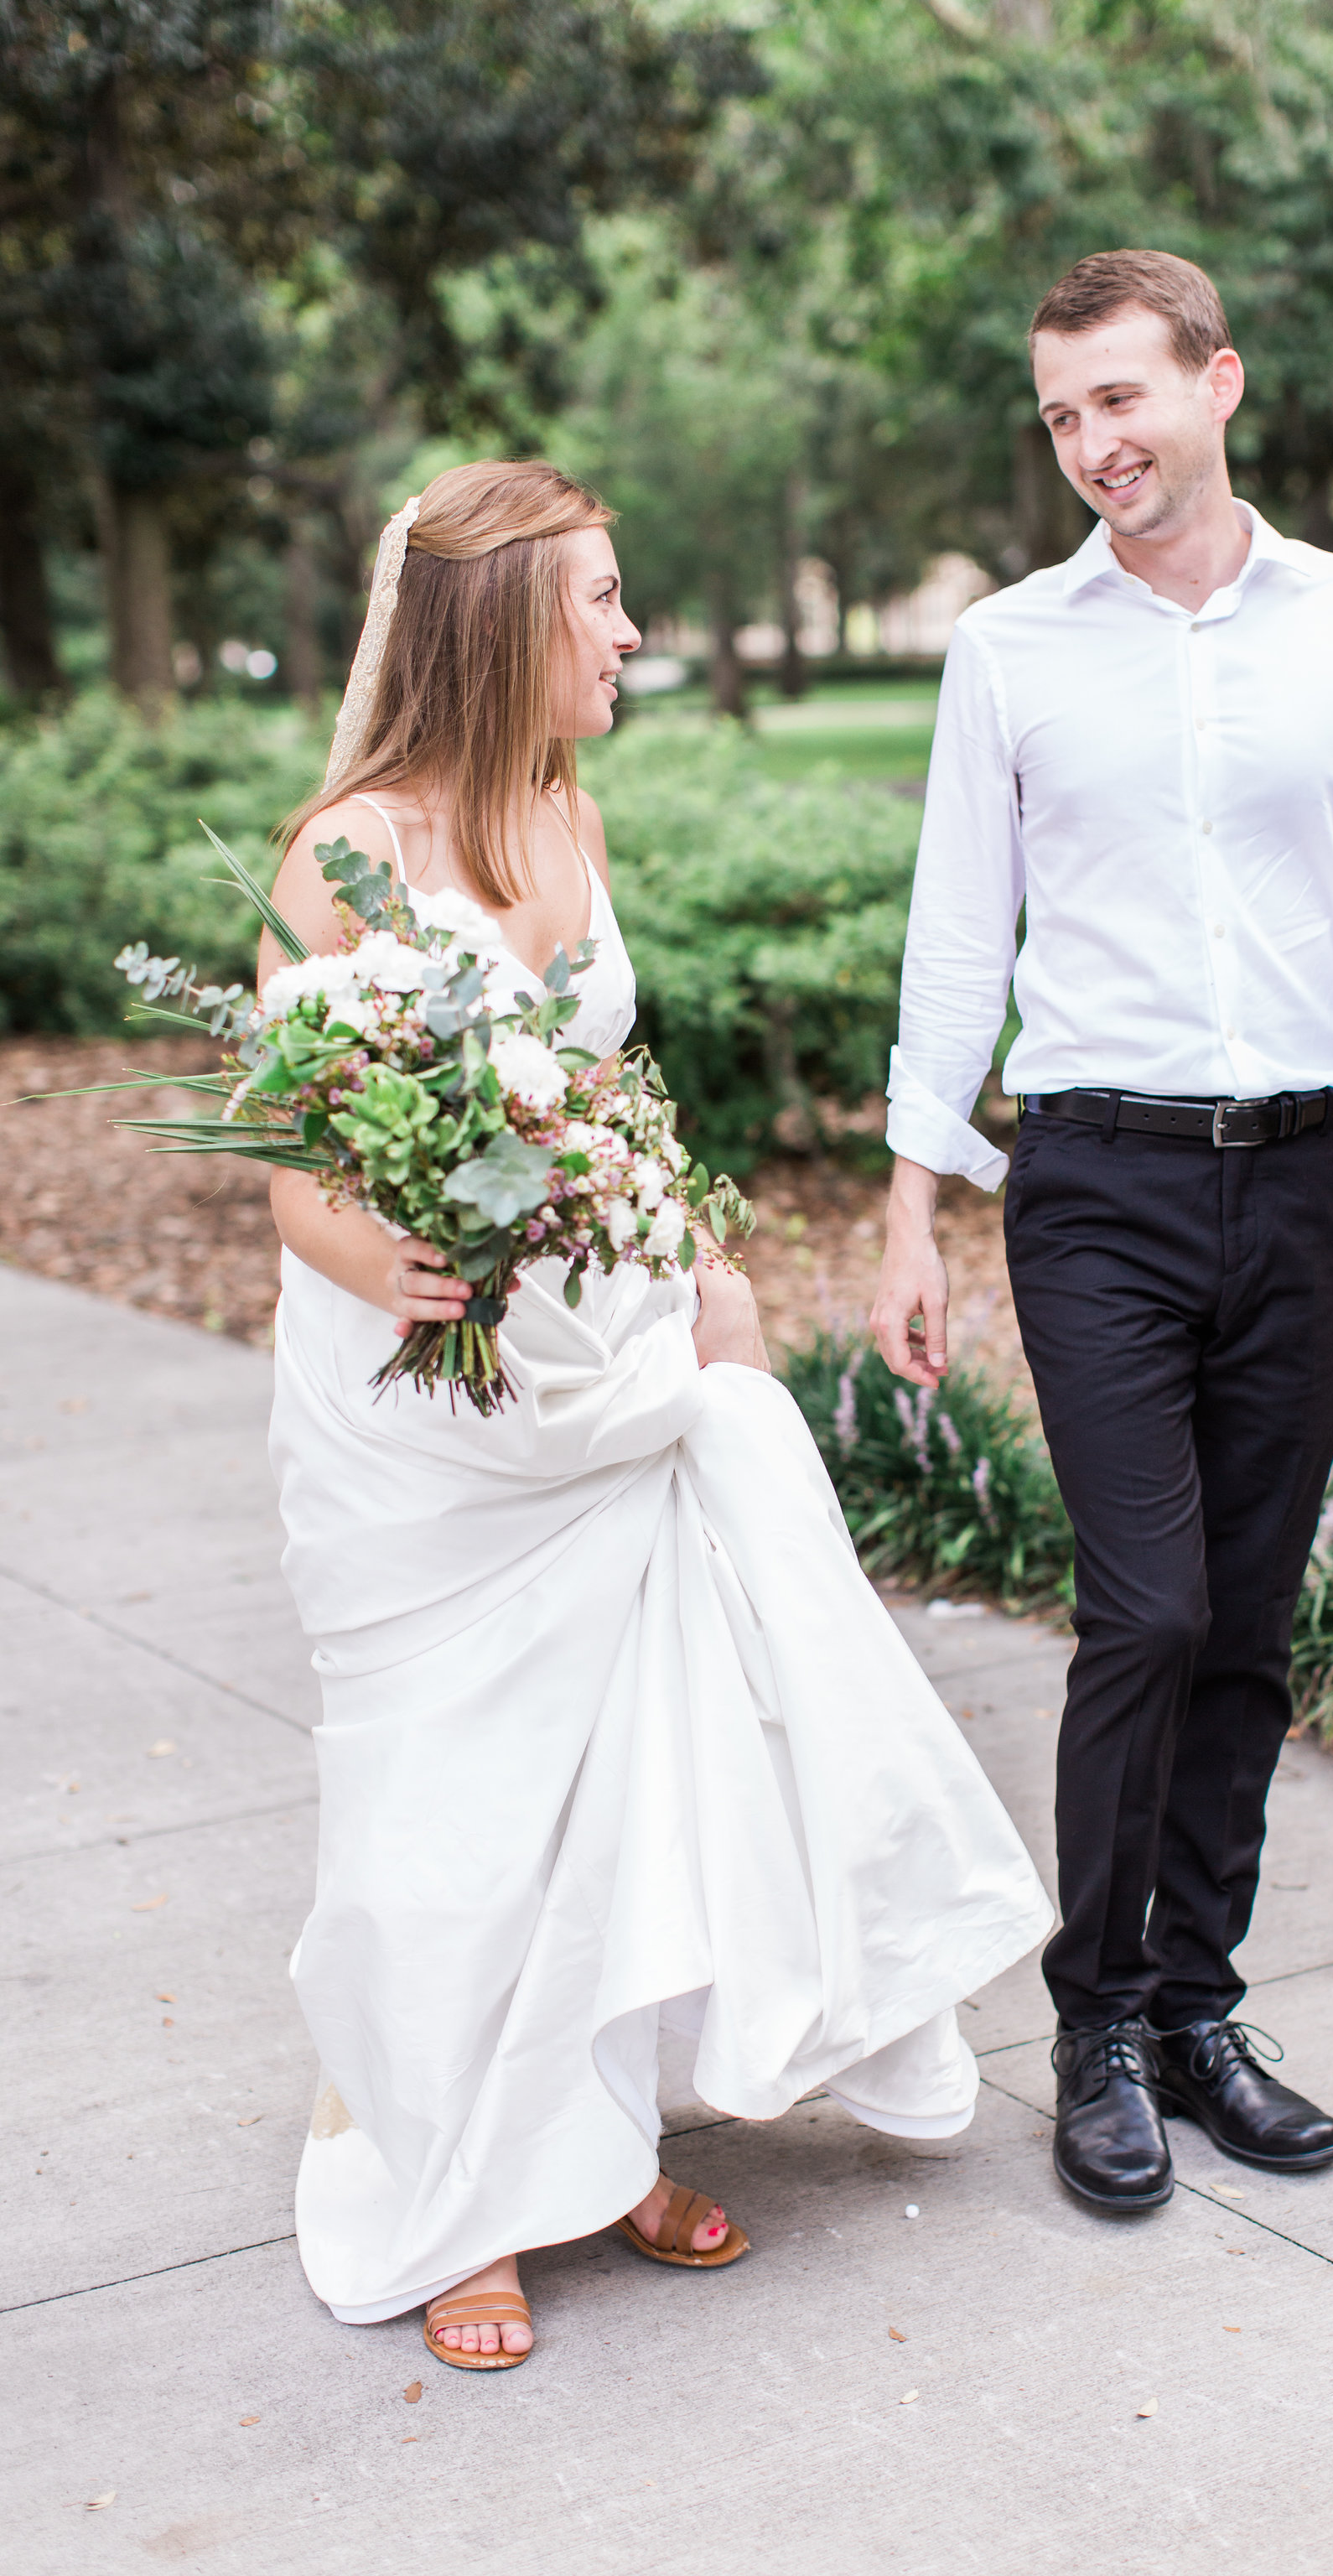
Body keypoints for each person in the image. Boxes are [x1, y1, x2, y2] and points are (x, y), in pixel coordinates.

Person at [264, 460, 1051, 2366]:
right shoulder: (339, 849)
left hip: (610, 1370)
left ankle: (595, 2146)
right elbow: (294, 1172)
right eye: (601, 600)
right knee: (446, 1810)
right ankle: (458, 2190)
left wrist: (704, 1259)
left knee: (624, 1782)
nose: (629, 633)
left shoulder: (565, 811)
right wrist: (404, 1274)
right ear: (500, 620)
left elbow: (614, 1097)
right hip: (424, 1412)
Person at [870, 250, 1333, 2215]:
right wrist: (915, 1202)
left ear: (1218, 382)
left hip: (1304, 1175)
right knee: (1148, 1610)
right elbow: (956, 936)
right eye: (1063, 415)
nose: (1093, 443)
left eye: (1121, 399)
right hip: (1092, 1181)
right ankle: (1093, 2021)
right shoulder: (1009, 647)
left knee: (1247, 1627)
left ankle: (1195, 2010)